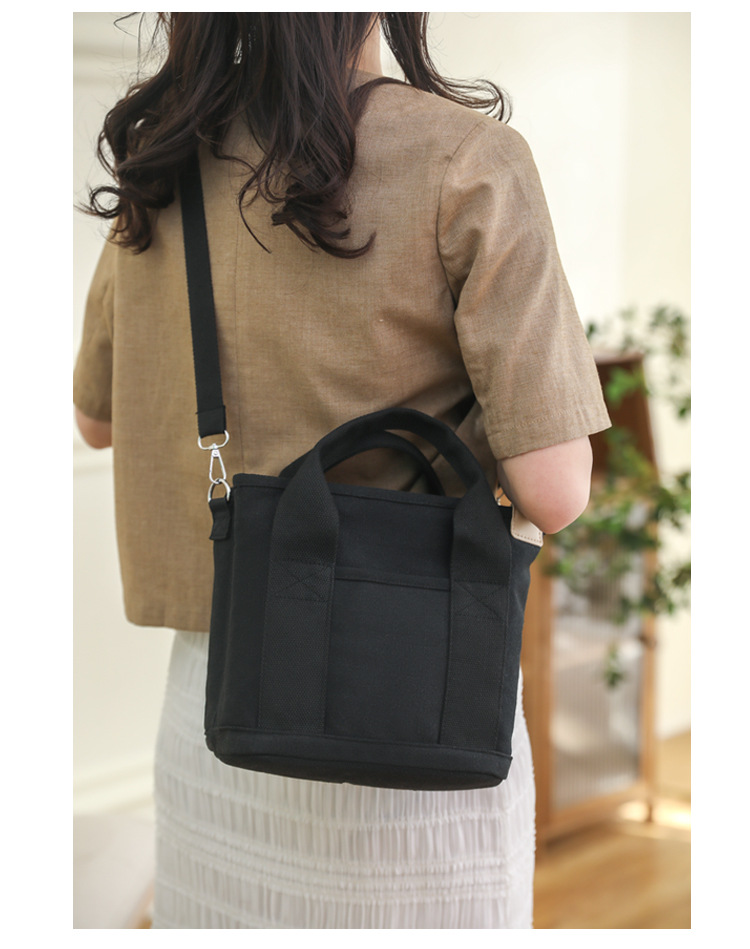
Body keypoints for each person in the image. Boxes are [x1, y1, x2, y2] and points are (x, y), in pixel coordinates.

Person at [74, 13, 610, 928]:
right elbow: (555, 491)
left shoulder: (162, 160)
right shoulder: (469, 159)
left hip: (216, 715)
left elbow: (95, 419)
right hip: (408, 717)